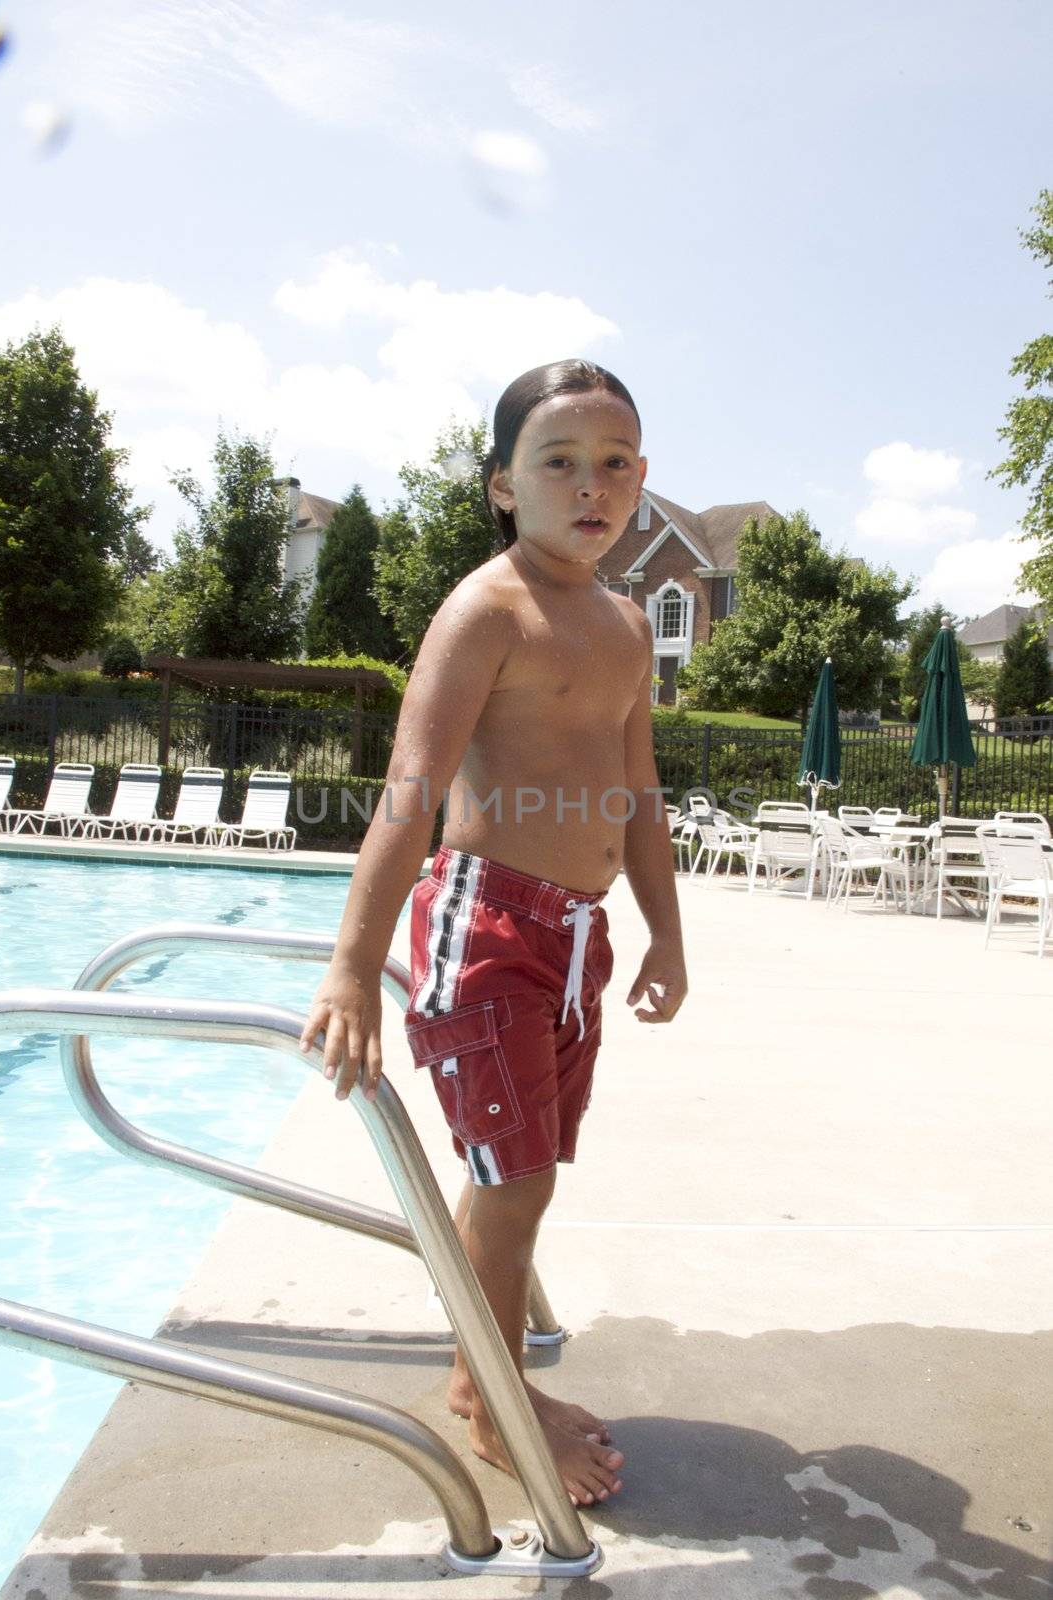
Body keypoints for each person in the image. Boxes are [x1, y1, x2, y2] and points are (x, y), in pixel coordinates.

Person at [300, 359, 687, 1507]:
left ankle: (482, 1373)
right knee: (511, 1179)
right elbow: (409, 790)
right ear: (503, 487)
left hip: (577, 937)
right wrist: (354, 965)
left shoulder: (624, 624)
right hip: (488, 929)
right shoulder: (488, 609)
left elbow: (641, 798)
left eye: (613, 463)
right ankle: (496, 1406)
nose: (590, 485)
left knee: (522, 1172)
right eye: (558, 463)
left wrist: (663, 933)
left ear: (643, 482)